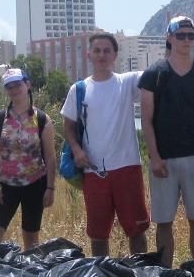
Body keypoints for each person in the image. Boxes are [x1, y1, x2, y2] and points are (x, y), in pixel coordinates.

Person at [139, 15, 194, 268]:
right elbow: (146, 120)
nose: (186, 40)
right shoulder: (154, 74)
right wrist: (154, 157)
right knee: (163, 222)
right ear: (169, 38)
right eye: (181, 35)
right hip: (164, 158)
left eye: (191, 35)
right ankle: (164, 274)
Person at [61, 33, 150, 257]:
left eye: (107, 50)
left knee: (136, 230)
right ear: (88, 54)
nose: (102, 55)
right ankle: (101, 276)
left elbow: (160, 76)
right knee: (98, 233)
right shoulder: (78, 89)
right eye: (97, 50)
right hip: (94, 171)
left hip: (127, 166)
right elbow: (68, 126)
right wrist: (77, 150)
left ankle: (141, 275)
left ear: (115, 55)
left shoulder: (127, 82)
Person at [0, 68, 57, 250]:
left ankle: (31, 274)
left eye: (18, 84)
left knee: (31, 238)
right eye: (9, 86)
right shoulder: (0, 118)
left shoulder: (41, 119)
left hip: (34, 183)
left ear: (28, 85)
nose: (14, 89)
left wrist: (50, 187)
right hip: (5, 185)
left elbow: (50, 156)